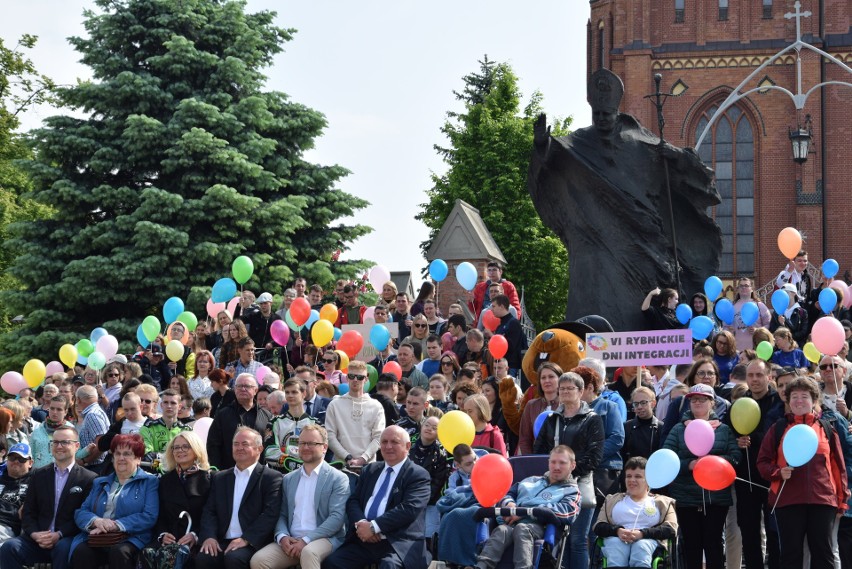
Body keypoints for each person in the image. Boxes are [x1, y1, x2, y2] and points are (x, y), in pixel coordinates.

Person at [529, 68, 720, 332]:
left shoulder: (636, 138)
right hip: (595, 236)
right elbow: (556, 155)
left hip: (640, 238)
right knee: (594, 292)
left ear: (616, 112)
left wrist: (674, 156)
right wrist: (542, 145)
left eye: (606, 114)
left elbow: (690, 171)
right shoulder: (582, 141)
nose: (601, 119)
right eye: (597, 114)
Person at [757, 377, 849, 569]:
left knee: (824, 555)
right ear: (788, 401)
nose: (799, 400)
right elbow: (762, 462)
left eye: (804, 396)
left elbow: (838, 468)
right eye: (794, 396)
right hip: (788, 500)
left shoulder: (827, 429)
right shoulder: (778, 428)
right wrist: (778, 472)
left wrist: (841, 501)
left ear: (814, 401)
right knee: (791, 556)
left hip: (823, 500)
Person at [323, 425, 431, 569]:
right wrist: (362, 524)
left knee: (389, 566)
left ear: (407, 446)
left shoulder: (417, 474)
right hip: (363, 539)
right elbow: (354, 501)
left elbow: (409, 509)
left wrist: (374, 527)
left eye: (394, 442)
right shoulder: (371, 470)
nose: (388, 446)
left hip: (397, 543)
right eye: (384, 442)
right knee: (333, 562)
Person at [662, 384, 740, 569]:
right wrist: (689, 464)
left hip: (715, 497)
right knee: (691, 545)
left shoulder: (724, 430)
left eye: (702, 399)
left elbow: (736, 458)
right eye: (693, 399)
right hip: (686, 497)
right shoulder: (678, 429)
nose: (697, 402)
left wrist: (712, 462)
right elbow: (667, 458)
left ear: (712, 403)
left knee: (713, 544)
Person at [250, 424, 349, 569]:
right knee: (259, 561)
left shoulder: (338, 478)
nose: (305, 447)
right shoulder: (288, 479)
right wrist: (282, 536)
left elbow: (336, 518)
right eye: (302, 443)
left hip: (323, 539)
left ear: (325, 447)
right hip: (291, 540)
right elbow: (282, 514)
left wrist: (306, 540)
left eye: (311, 443)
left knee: (309, 553)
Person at [534, 372, 605, 569]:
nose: (564, 392)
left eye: (569, 388)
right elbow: (539, 451)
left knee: (577, 540)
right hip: (553, 485)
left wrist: (569, 473)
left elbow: (595, 456)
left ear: (581, 391)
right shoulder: (552, 419)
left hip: (580, 484)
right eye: (562, 388)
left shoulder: (592, 419)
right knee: (558, 540)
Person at [0, 427, 95, 569]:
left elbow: (83, 515)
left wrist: (60, 534)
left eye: (65, 442)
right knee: (9, 547)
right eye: (55, 442)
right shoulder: (39, 475)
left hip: (66, 538)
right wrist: (34, 534)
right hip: (37, 538)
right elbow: (28, 511)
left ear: (76, 446)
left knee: (63, 549)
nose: (59, 446)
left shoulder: (89, 479)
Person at [474, 445, 581, 569]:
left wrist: (525, 512)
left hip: (539, 526)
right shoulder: (530, 480)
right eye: (553, 462)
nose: (556, 467)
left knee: (522, 528)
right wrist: (509, 504)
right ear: (548, 463)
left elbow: (567, 513)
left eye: (562, 463)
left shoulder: (571, 491)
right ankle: (481, 566)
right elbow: (505, 494)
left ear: (572, 465)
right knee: (501, 530)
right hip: (509, 523)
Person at [196, 427, 283, 569]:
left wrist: (246, 539)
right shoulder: (220, 477)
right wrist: (209, 536)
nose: (239, 448)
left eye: (245, 444)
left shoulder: (271, 478)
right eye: (236, 444)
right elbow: (209, 510)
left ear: (259, 449)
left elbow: (270, 514)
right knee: (204, 558)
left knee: (234, 559)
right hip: (221, 539)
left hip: (251, 541)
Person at [69, 434, 159, 569]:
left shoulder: (149, 482)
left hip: (131, 538)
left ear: (138, 459)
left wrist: (116, 525)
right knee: (81, 551)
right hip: (97, 538)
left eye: (127, 454)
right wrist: (96, 521)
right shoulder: (99, 482)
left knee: (119, 552)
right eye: (117, 453)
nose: (121, 458)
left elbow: (149, 516)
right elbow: (81, 512)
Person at [729, 359, 781, 569]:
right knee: (749, 531)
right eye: (751, 376)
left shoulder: (779, 402)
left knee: (774, 532)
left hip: (773, 478)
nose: (755, 380)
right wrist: (737, 441)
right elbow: (730, 433)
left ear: (769, 377)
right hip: (746, 478)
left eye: (759, 375)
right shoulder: (738, 404)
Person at [593, 456, 678, 569]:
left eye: (638, 476)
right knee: (615, 545)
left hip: (648, 542)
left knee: (641, 546)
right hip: (617, 539)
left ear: (648, 479)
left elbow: (671, 529)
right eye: (628, 476)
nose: (632, 480)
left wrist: (642, 534)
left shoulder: (664, 502)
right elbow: (598, 526)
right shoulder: (611, 500)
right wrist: (618, 531)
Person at [151, 431, 211, 552]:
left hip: (196, 542)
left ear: (196, 450)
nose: (180, 450)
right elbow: (160, 514)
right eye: (176, 447)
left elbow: (210, 515)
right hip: (170, 541)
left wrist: (195, 534)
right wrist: (163, 535)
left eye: (186, 446)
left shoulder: (209, 478)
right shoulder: (165, 480)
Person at [324, 361, 385, 468]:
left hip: (368, 466)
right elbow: (330, 435)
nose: (355, 380)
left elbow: (379, 437)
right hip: (341, 465)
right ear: (347, 378)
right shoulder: (334, 405)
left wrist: (363, 458)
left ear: (366, 379)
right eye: (352, 376)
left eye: (360, 377)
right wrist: (347, 457)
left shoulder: (376, 406)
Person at [206, 374, 272, 470]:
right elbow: (213, 445)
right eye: (239, 386)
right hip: (229, 473)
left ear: (256, 390)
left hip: (258, 474)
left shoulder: (267, 416)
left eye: (247, 386)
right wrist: (217, 471)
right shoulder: (223, 415)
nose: (243, 389)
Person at [263, 378, 318, 467]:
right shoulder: (274, 422)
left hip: (308, 474)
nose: (290, 395)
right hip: (282, 475)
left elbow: (319, 451)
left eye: (294, 392)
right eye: (287, 392)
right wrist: (292, 462)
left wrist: (285, 451)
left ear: (303, 393)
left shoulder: (315, 423)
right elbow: (270, 452)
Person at [518, 362, 562, 454]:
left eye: (551, 377)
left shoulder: (566, 405)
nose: (547, 380)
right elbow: (525, 439)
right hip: (536, 460)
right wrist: (530, 460)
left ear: (560, 379)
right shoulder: (531, 405)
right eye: (543, 378)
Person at [139, 388, 192, 464]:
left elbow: (190, 455)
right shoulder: (147, 428)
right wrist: (163, 466)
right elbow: (147, 456)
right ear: (161, 405)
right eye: (166, 402)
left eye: (173, 403)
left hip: (180, 472)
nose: (169, 406)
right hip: (156, 473)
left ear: (179, 406)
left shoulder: (187, 430)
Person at [724, 277, 771, 354]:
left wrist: (758, 330)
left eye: (746, 285)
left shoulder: (759, 306)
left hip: (757, 348)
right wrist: (729, 330)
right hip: (737, 349)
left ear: (752, 289)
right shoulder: (732, 307)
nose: (743, 288)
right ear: (738, 289)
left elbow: (768, 324)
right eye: (741, 286)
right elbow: (725, 326)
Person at [0, 443, 33, 543]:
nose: (16, 461)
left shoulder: (36, 481)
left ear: (30, 463)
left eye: (21, 459)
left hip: (9, 527)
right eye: (12, 458)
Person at [29, 395, 74, 469]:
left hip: (62, 475)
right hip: (39, 475)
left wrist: (87, 451)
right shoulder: (38, 430)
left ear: (65, 412)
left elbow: (76, 453)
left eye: (59, 409)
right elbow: (31, 455)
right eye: (52, 408)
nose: (54, 412)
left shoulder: (71, 430)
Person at [74, 385, 111, 473]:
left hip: (96, 467)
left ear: (78, 399)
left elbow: (101, 444)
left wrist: (84, 461)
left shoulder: (92, 415)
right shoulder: (94, 412)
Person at [621, 387, 663, 463]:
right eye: (636, 404)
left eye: (643, 403)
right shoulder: (626, 427)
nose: (639, 407)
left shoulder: (661, 428)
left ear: (653, 403)